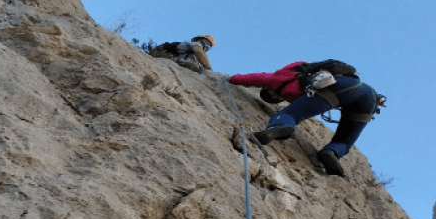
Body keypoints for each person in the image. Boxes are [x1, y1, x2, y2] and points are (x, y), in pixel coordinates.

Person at [229, 61, 384, 176]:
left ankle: (279, 127)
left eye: (270, 94)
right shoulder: (305, 79)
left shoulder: (280, 78)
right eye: (273, 99)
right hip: (370, 97)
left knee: (288, 114)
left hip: (341, 86)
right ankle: (330, 153)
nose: (274, 96)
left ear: (269, 88)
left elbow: (254, 78)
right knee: (344, 141)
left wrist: (232, 79)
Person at [150, 35, 215, 72]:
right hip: (173, 63)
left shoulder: (193, 53)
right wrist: (208, 68)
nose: (206, 45)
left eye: (209, 45)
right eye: (205, 41)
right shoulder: (195, 44)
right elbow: (199, 52)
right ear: (199, 39)